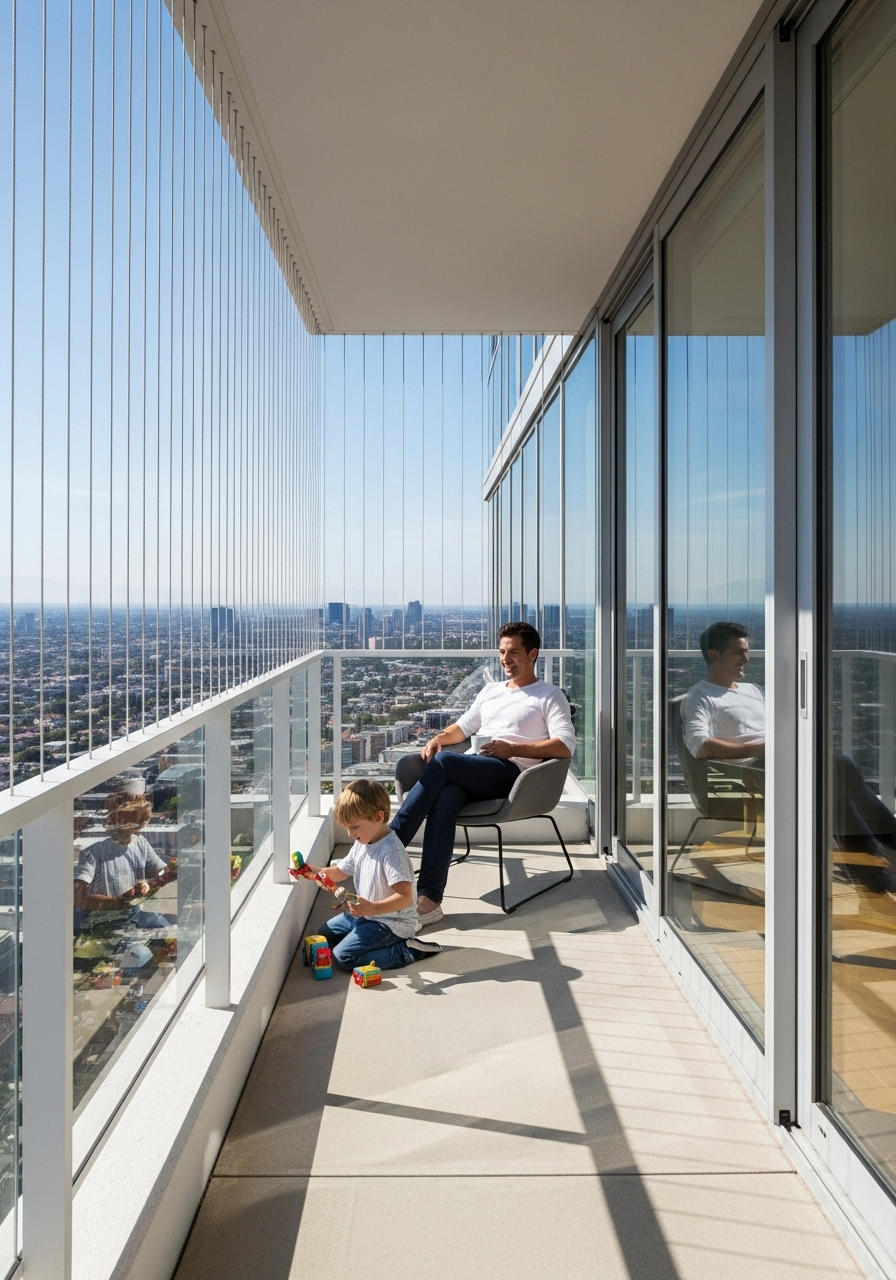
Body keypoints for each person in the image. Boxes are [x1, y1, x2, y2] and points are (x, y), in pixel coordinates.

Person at [390, 621, 576, 925]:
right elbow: (463, 727)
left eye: (513, 652)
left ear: (533, 654)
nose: (505, 658)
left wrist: (512, 749)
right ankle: (430, 900)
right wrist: (440, 738)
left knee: (446, 763)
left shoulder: (549, 695)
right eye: (502, 652)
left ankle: (390, 844)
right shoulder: (491, 691)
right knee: (447, 795)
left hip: (514, 776)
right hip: (476, 770)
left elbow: (565, 746)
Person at [681, 620, 896, 879]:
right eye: (739, 652)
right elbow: (699, 746)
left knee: (836, 782)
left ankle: (874, 873)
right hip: (749, 776)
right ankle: (877, 864)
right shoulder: (700, 696)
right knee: (839, 769)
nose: (746, 659)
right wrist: (762, 749)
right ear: (714, 655)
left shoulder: (752, 690)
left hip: (777, 763)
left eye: (747, 651)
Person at [308, 779, 442, 971]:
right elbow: (340, 872)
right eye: (347, 828)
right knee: (324, 934)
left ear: (378, 816)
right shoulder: (362, 842)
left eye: (354, 827)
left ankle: (406, 950)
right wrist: (313, 872)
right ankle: (364, 936)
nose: (349, 834)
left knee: (343, 956)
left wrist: (372, 909)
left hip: (390, 922)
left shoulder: (391, 852)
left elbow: (405, 897)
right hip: (366, 914)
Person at [74, 791, 170, 912]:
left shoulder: (140, 842)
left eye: (135, 820)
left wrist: (153, 881)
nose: (123, 823)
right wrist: (117, 902)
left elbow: (161, 871)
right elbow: (80, 899)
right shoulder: (93, 851)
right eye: (120, 819)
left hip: (135, 916)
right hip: (104, 922)